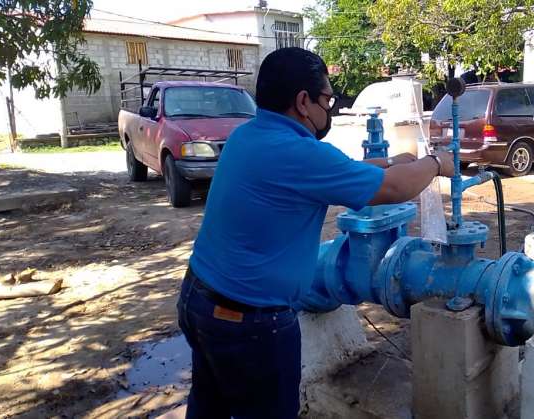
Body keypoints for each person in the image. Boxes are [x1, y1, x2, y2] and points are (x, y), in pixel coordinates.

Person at [177, 47, 454, 419]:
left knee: (209, 409)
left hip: (199, 301)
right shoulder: (297, 153)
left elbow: (337, 170)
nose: (331, 108)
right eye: (328, 99)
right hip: (250, 324)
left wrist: (392, 161)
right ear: (303, 101)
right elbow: (392, 190)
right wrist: (436, 163)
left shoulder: (249, 136)